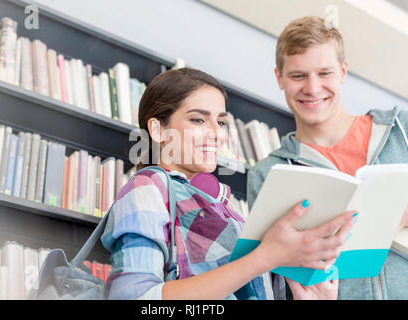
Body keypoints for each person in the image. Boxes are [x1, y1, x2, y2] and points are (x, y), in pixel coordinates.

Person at [101, 67, 356, 300]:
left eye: (221, 121)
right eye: (198, 120)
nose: (216, 133)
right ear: (157, 130)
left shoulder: (227, 208)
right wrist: (265, 257)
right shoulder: (148, 188)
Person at [247, 16, 408, 300]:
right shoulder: (268, 174)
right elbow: (277, 284)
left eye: (324, 73)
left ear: (343, 71)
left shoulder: (402, 130)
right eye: (298, 76)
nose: (313, 88)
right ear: (279, 78)